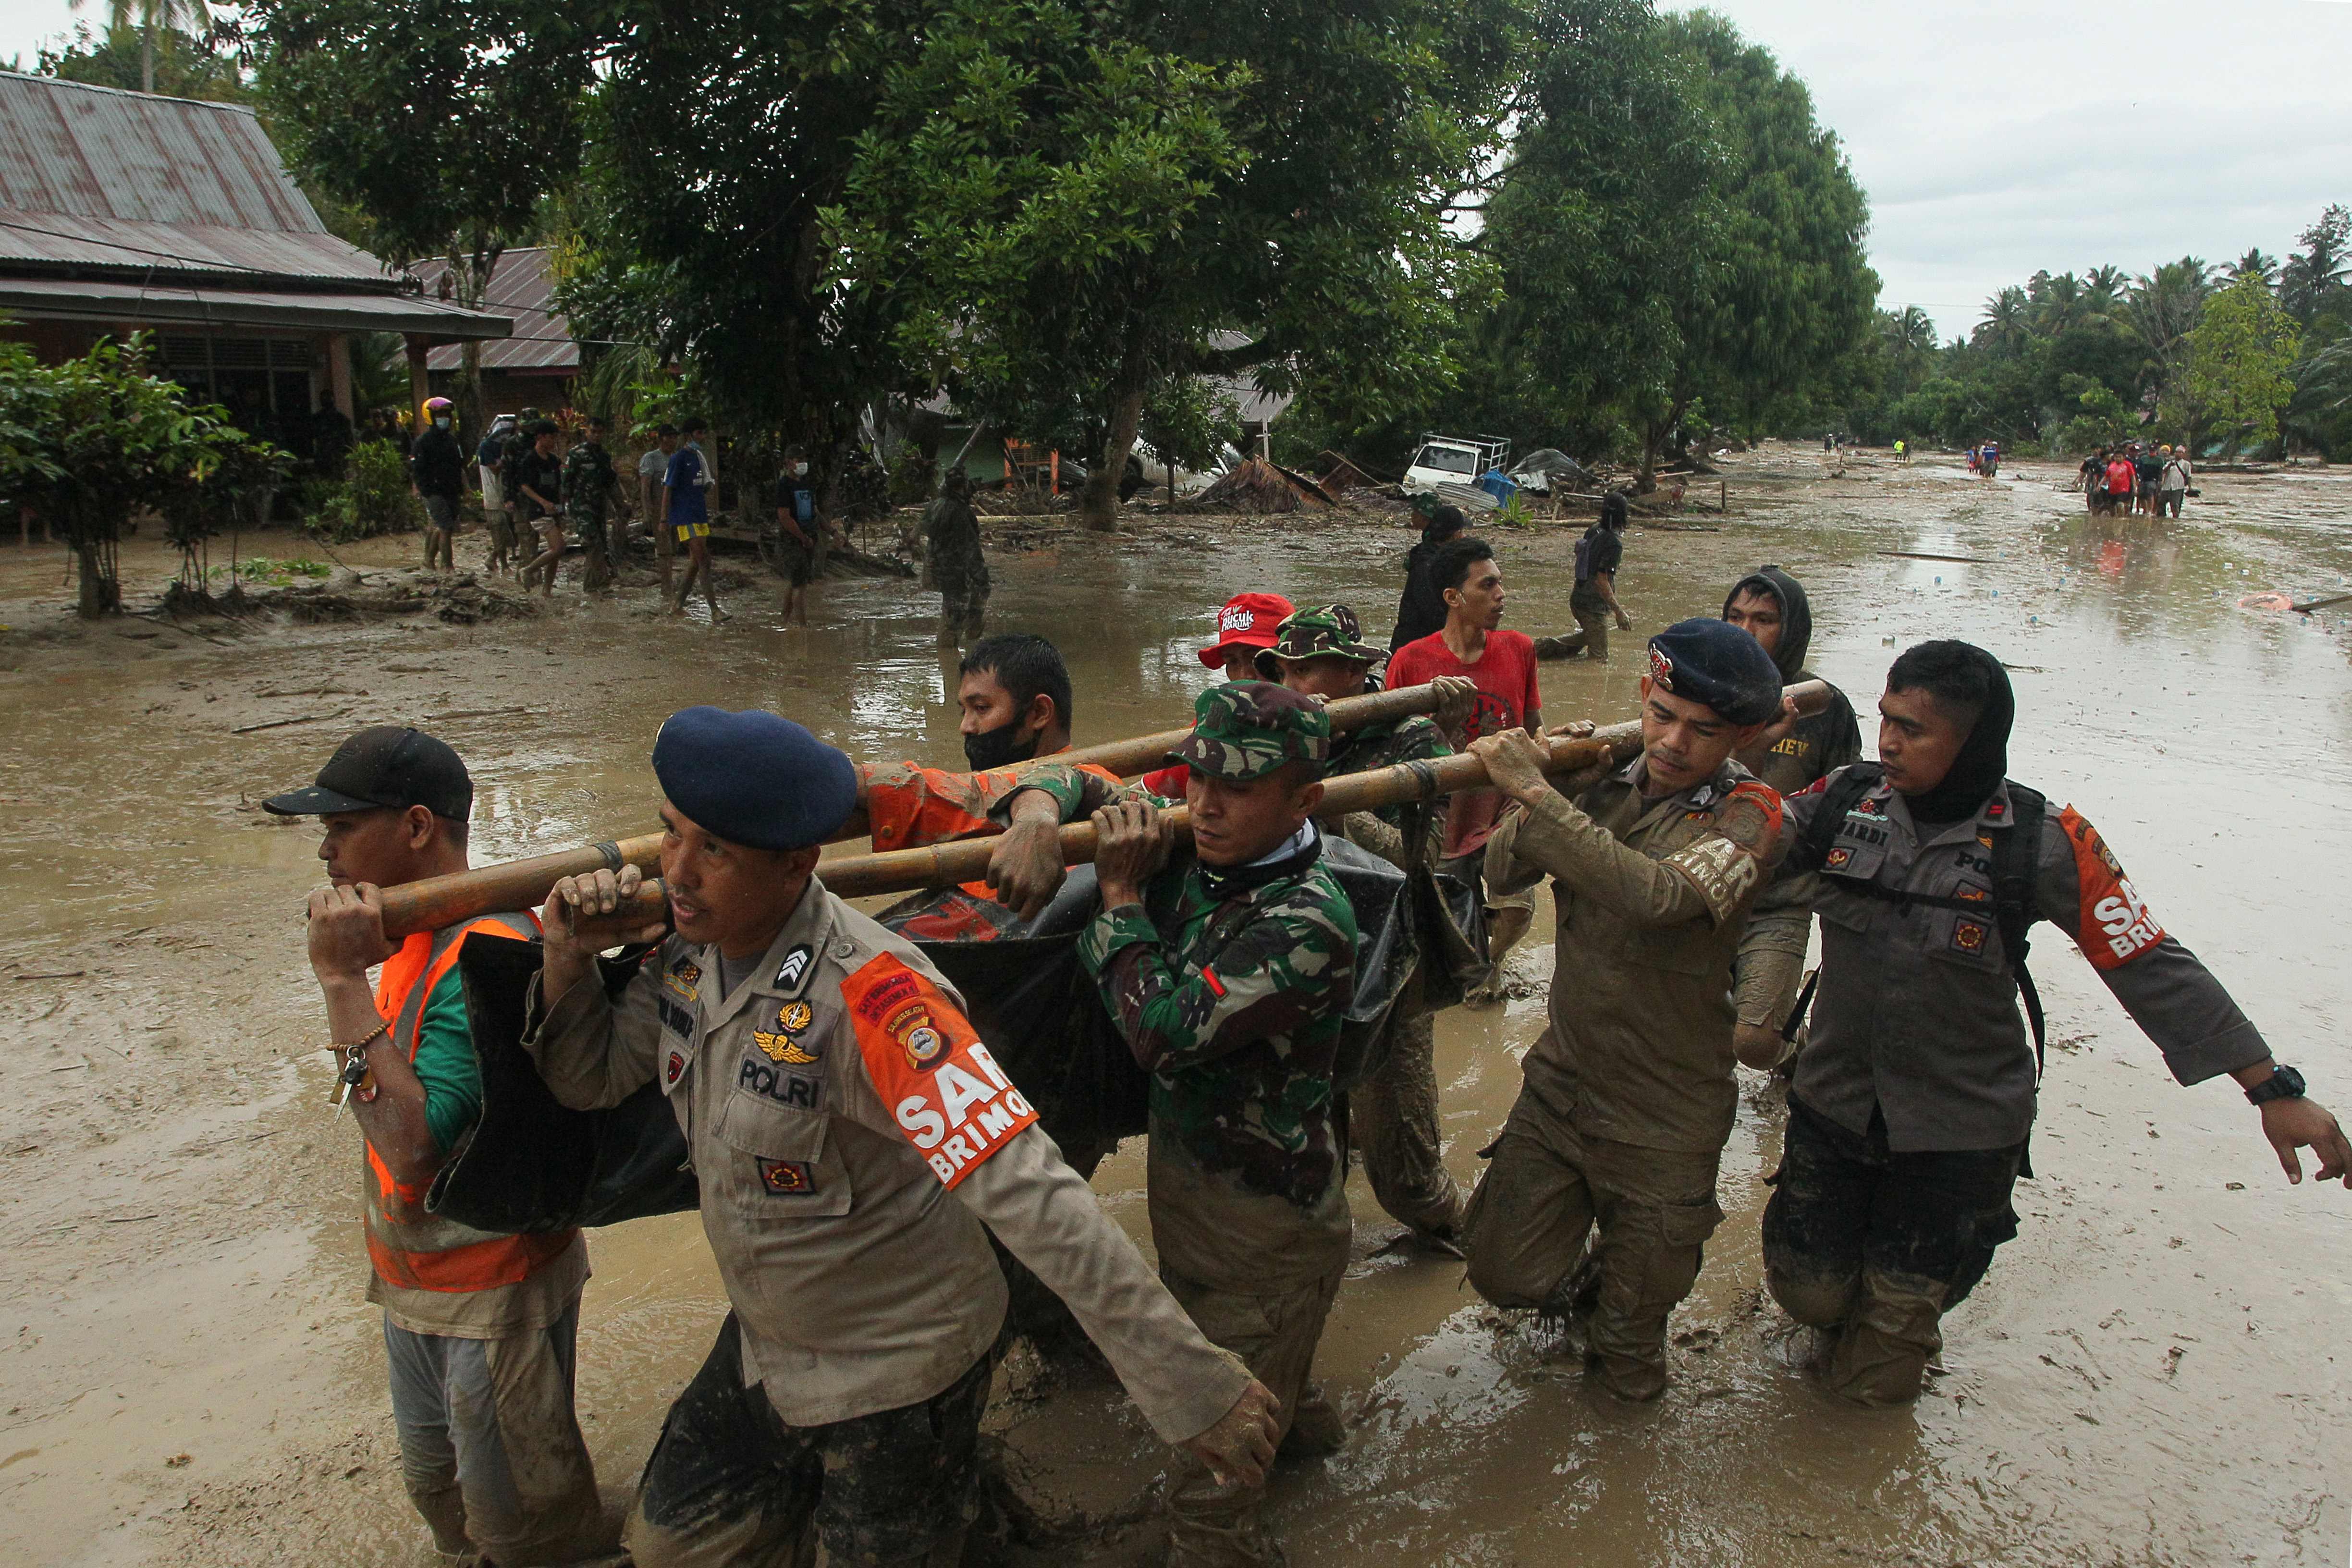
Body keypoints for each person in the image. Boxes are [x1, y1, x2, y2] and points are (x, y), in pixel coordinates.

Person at [527, 707, 1281, 1568]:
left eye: (716, 851)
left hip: (897, 1365)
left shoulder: (881, 999)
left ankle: (966, 1506)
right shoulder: (688, 953)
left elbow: (1029, 1187)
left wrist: (1187, 1383)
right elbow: (587, 1076)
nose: (678, 871)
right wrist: (566, 954)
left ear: (797, 863)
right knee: (670, 1546)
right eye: (671, 835)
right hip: (770, 1338)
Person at [1751, 640, 2352, 1407]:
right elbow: (1736, 841)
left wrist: (2272, 1087)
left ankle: (1905, 1322)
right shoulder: (1842, 802)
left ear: (1975, 741)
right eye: (1884, 721)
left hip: (1960, 1134)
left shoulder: (2044, 839)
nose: (1889, 743)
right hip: (1834, 1104)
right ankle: (1862, 1308)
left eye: (1913, 730)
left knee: (1879, 1372)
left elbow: (2149, 963)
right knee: (1809, 1293)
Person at [267, 727, 600, 1564]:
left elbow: (415, 1145)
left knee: (528, 1529)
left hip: (493, 1289)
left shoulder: (482, 947)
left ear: (418, 826)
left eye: (343, 826)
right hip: (418, 1279)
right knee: (440, 1497)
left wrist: (342, 986)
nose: (326, 849)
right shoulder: (409, 928)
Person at [1462, 620, 1788, 1401]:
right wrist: (1559, 783)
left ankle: (1620, 1317)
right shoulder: (1603, 781)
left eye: (1703, 730)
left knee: (1630, 1355)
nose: (1674, 741)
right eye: (1663, 713)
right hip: (1564, 1085)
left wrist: (1539, 795)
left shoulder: (1753, 812)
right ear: (1644, 693)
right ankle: (1586, 1281)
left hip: (1666, 1114)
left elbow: (1660, 897)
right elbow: (1498, 866)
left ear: (1741, 735)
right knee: (1500, 1266)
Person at [1079, 684, 1360, 1565]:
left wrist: (1120, 898)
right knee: (1274, 1384)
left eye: (1236, 788)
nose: (1205, 802)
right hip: (1204, 1206)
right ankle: (1315, 1433)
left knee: (1208, 1502)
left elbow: (1161, 1032)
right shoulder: (1211, 858)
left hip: (1264, 1234)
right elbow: (1061, 780)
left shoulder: (1306, 919)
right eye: (1196, 776)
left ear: (1304, 800)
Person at [1260, 604, 1476, 1245]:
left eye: (1310, 670)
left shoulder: (1409, 738)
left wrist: (1330, 803)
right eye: (1286, 672)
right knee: (1303, 1137)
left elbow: (1420, 861)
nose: (1296, 686)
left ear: (1356, 672)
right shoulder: (1274, 733)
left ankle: (1462, 1232)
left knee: (1406, 1170)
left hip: (1387, 961)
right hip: (1295, 953)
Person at [1388, 538, 1542, 1005]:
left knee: (1514, 909)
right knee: (1449, 923)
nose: (1501, 595)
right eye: (1488, 585)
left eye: (1501, 583)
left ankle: (1487, 964)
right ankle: (1468, 971)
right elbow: (1388, 749)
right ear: (1454, 598)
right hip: (1443, 820)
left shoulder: (1519, 649)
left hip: (1504, 808)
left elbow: (1532, 726)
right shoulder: (1412, 661)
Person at [1720, 566, 1863, 1068]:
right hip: (1702, 884)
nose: (1745, 631)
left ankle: (1799, 1053)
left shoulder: (1823, 705)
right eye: (1735, 617)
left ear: (1793, 630)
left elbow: (1848, 802)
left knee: (1756, 1045)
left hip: (1781, 894)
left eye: (1763, 620)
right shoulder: (1703, 691)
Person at [1140, 592, 1297, 799]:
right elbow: (1153, 789)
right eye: (1232, 662)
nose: (1244, 676)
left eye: (1257, 659)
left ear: (1291, 658)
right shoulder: (1219, 721)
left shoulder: (1328, 716)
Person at [1544, 493, 1633, 662]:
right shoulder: (1614, 544)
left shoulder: (1594, 529)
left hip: (1578, 599)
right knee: (1599, 660)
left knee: (1592, 636)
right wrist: (1619, 612)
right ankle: (1542, 649)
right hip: (1593, 607)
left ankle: (1547, 648)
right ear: (1623, 515)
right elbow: (1601, 581)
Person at [664, 418, 723, 621]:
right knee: (704, 560)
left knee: (696, 563)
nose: (703, 437)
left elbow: (705, 485)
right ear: (689, 436)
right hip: (685, 517)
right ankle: (715, 610)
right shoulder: (678, 459)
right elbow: (668, 489)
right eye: (700, 433)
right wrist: (664, 519)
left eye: (704, 433)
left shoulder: (699, 457)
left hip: (699, 515)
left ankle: (677, 604)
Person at [1388, 504, 1468, 652]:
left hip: (1418, 646)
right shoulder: (1427, 566)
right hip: (1412, 651)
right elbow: (1433, 614)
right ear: (1455, 535)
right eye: (1462, 532)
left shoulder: (1434, 559)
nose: (1464, 537)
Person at [924, 471, 987, 647]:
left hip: (943, 568)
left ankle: (961, 657)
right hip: (957, 571)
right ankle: (952, 662)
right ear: (963, 486)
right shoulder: (959, 512)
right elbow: (969, 547)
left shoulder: (937, 507)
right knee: (955, 619)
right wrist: (981, 577)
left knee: (956, 614)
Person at [564, 415, 621, 594]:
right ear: (586, 432)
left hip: (599, 507)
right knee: (593, 544)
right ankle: (598, 585)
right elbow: (566, 482)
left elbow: (611, 482)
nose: (596, 436)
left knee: (600, 545)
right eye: (593, 432)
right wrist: (564, 509)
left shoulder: (604, 456)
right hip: (582, 507)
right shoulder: (576, 454)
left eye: (600, 433)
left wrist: (621, 504)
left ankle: (594, 586)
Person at [408, 397, 465, 574]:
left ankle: (428, 561)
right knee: (446, 527)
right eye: (440, 414)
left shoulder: (452, 441)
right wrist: (423, 490)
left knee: (441, 526)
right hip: (433, 492)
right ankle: (447, 566)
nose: (445, 418)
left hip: (452, 491)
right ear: (431, 417)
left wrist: (465, 487)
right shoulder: (423, 442)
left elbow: (459, 466)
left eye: (447, 414)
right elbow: (417, 469)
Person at [511, 420, 568, 596]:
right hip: (538, 511)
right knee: (559, 548)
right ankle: (527, 570)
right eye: (551, 438)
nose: (553, 442)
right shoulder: (530, 460)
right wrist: (543, 502)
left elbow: (559, 486)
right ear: (540, 438)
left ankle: (547, 591)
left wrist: (561, 509)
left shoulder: (553, 461)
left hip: (554, 510)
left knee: (555, 552)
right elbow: (525, 486)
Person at [775, 452, 831, 625]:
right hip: (792, 540)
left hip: (809, 538)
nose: (803, 464)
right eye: (799, 460)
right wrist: (802, 537)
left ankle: (784, 620)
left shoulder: (807, 485)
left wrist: (833, 533)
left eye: (805, 460)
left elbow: (815, 513)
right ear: (788, 463)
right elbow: (784, 517)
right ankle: (803, 629)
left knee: (796, 581)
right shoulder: (784, 486)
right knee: (800, 586)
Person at [477, 413, 518, 573]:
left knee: (511, 534)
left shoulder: (507, 445)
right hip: (493, 496)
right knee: (500, 533)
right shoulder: (486, 446)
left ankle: (492, 559)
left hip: (506, 494)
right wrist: (504, 459)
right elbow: (494, 470)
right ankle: (504, 566)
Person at [640, 423, 679, 564]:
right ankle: (666, 581)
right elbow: (645, 488)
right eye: (670, 437)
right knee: (664, 548)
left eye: (675, 437)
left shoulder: (677, 458)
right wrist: (646, 512)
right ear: (662, 439)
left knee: (674, 547)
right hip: (658, 508)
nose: (673, 441)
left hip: (676, 508)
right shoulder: (651, 458)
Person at [2159, 443, 2192, 517]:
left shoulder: (2186, 464)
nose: (2178, 454)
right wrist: (2170, 465)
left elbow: (2189, 476)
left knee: (2175, 505)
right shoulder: (2169, 463)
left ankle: (2176, 519)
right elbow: (2163, 471)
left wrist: (2190, 488)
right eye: (2177, 452)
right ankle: (2162, 518)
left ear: (2183, 454)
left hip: (2178, 487)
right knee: (2161, 503)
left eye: (2180, 453)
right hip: (2167, 486)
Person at [2103, 447, 2137, 515]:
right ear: (2114, 458)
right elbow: (2106, 476)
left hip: (2124, 489)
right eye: (2116, 457)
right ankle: (2114, 519)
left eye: (2120, 457)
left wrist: (2134, 487)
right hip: (2113, 489)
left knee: (2120, 504)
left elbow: (2132, 477)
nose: (2118, 458)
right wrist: (2099, 485)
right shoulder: (2112, 465)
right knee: (2112, 506)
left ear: (2124, 457)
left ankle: (2121, 519)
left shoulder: (2128, 465)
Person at [2133, 443, 2162, 517]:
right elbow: (2139, 470)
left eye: (2153, 451)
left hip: (2153, 480)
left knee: (2150, 494)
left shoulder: (2160, 460)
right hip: (2143, 480)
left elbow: (2161, 471)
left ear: (2156, 451)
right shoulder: (2143, 458)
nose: (2152, 452)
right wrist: (2139, 479)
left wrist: (2160, 481)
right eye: (2151, 451)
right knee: (2141, 495)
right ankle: (2145, 510)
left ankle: (2150, 511)